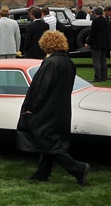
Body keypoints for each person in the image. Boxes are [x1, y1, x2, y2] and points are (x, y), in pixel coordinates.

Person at [16, 30, 90, 185]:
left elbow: (41, 88)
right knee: (49, 140)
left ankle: (78, 168)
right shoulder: (67, 62)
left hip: (46, 108)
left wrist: (32, 107)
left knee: (46, 141)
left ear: (46, 44)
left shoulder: (50, 63)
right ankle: (42, 173)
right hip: (60, 107)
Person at [87, 6, 111, 82]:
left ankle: (98, 77)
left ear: (95, 13)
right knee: (103, 61)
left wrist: (88, 42)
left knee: (96, 61)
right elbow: (110, 33)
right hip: (105, 44)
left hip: (97, 44)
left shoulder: (96, 21)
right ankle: (104, 76)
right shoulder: (107, 21)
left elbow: (93, 34)